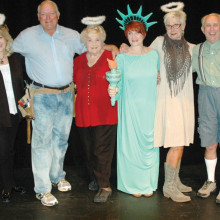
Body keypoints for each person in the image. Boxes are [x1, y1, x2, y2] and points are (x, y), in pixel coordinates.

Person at [12, 0, 118, 207]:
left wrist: (112, 46)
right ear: (38, 16)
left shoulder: (71, 35)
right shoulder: (26, 36)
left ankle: (57, 176)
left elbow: (92, 46)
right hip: (41, 96)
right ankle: (42, 189)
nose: (48, 17)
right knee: (42, 144)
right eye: (44, 14)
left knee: (61, 141)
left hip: (67, 95)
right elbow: (6, 47)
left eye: (51, 13)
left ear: (58, 15)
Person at [109, 5, 160, 197]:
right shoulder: (121, 58)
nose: (134, 36)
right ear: (126, 34)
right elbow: (117, 86)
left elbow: (158, 80)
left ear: (144, 33)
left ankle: (147, 183)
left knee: (150, 147)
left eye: (137, 32)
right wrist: (113, 90)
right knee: (130, 148)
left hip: (150, 109)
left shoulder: (154, 55)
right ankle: (132, 185)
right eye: (130, 32)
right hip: (130, 110)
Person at [150, 3, 195, 203]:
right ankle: (168, 187)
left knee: (181, 143)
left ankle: (175, 181)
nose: (173, 29)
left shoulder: (192, 49)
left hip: (184, 102)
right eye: (169, 26)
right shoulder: (159, 42)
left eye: (177, 25)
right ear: (165, 27)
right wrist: (154, 71)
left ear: (183, 26)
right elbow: (143, 57)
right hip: (167, 102)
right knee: (176, 144)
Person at [74, 16, 118, 203]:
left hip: (105, 113)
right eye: (90, 40)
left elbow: (121, 80)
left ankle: (105, 186)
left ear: (103, 41)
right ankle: (95, 178)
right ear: (84, 41)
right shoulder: (78, 60)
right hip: (83, 113)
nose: (93, 43)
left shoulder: (111, 57)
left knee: (102, 150)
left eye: (97, 40)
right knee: (89, 150)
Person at [192, 13, 220, 204]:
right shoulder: (197, 50)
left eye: (215, 25)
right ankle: (211, 181)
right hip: (205, 95)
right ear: (202, 29)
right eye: (207, 26)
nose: (211, 29)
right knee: (209, 141)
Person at [0, 14, 26, 203]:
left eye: (0, 37)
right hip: (0, 116)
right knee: (4, 151)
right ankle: (7, 187)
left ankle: (10, 182)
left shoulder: (15, 59)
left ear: (6, 39)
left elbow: (21, 84)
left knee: (10, 151)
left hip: (14, 113)